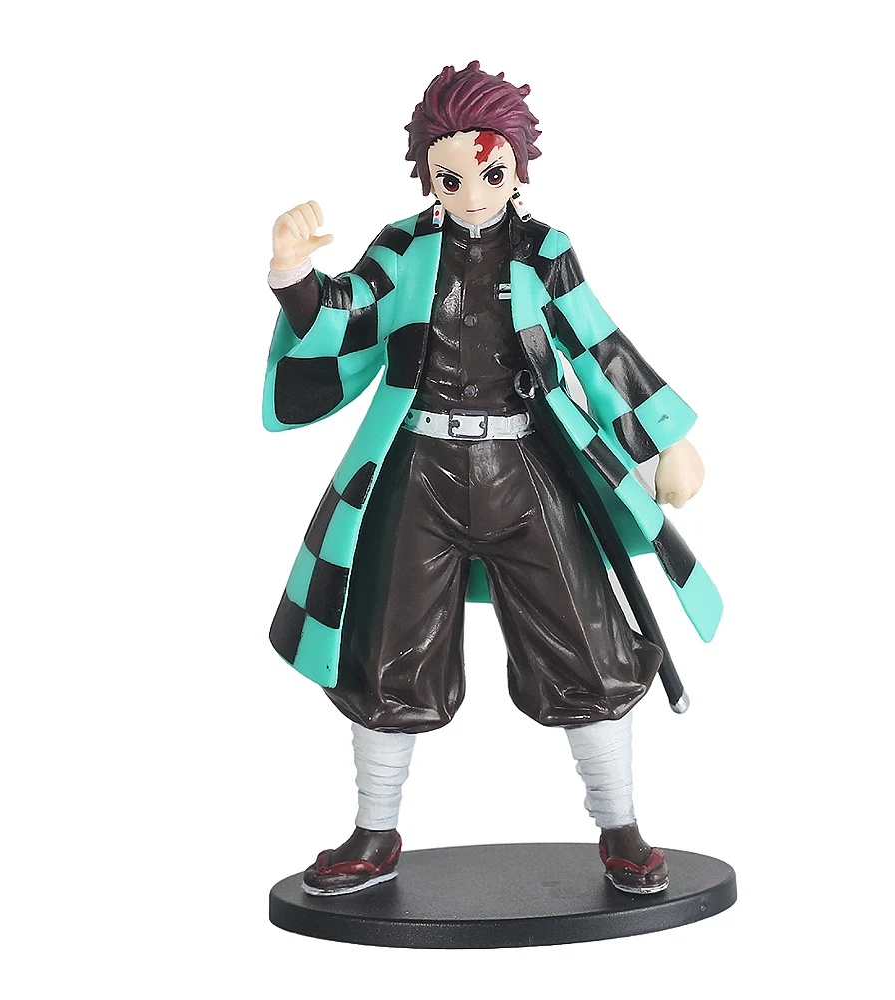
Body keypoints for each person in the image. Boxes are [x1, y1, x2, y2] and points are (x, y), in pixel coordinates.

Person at [262, 62, 721, 897]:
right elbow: (347, 314)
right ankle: (374, 831)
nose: (473, 193)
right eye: (451, 177)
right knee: (385, 650)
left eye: (491, 172)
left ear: (518, 165)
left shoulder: (547, 251)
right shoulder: (402, 247)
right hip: (416, 472)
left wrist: (667, 438)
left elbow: (598, 344)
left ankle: (620, 826)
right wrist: (293, 276)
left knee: (587, 640)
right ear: (426, 175)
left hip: (527, 468)